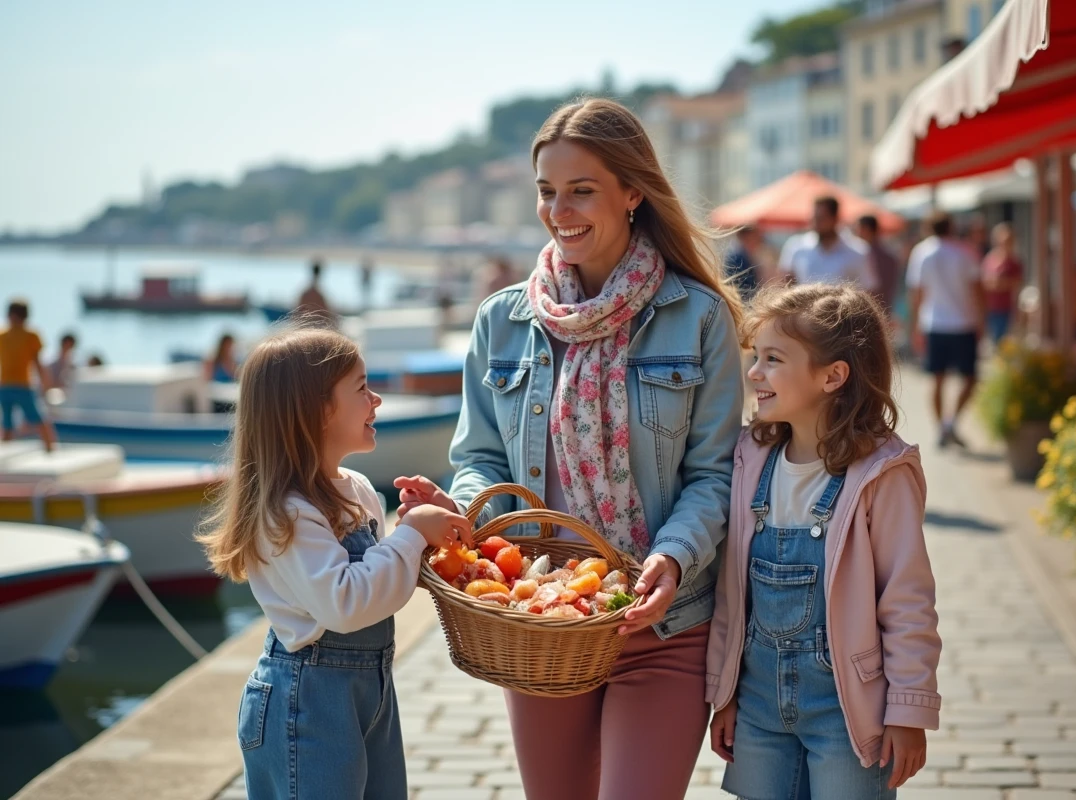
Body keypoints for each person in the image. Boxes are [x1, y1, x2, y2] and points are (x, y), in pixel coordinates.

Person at [394, 98, 745, 800]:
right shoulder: (502, 320)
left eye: (581, 189)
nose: (560, 210)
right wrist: (462, 514)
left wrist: (672, 559)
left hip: (662, 623)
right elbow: (481, 460)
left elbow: (715, 475)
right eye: (547, 192)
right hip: (542, 623)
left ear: (633, 192)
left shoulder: (698, 318)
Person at [197, 325, 471, 800]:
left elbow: (384, 581)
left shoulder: (358, 489)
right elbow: (345, 603)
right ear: (319, 411)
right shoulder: (287, 512)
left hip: (370, 690)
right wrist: (410, 534)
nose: (377, 399)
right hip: (307, 702)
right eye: (363, 388)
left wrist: (437, 525)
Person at [707, 283, 940, 799]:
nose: (754, 373)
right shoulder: (749, 459)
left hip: (848, 712)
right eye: (756, 357)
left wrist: (908, 709)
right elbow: (731, 592)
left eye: (773, 359)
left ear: (833, 376)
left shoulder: (882, 474)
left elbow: (907, 601)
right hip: (759, 707)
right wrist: (724, 695)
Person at [906, 212, 985, 449]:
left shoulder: (921, 252)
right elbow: (978, 290)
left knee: (937, 379)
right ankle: (949, 424)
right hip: (963, 322)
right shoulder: (965, 251)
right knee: (969, 379)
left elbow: (916, 294)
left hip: (935, 323)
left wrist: (915, 326)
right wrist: (982, 321)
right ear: (951, 226)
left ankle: (943, 426)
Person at [779, 197, 878, 293]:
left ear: (835, 219)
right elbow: (785, 283)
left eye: (821, 218)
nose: (815, 223)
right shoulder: (796, 246)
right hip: (802, 309)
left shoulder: (859, 251)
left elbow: (868, 289)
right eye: (814, 218)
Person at [0, 300, 56, 451]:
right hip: (5, 385)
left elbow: (37, 361)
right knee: (6, 423)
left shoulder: (31, 335)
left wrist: (45, 383)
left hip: (24, 384)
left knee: (37, 417)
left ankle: (51, 449)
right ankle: (5, 453)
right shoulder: (2, 335)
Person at [980, 222, 1024, 343]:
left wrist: (997, 284)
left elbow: (1016, 283)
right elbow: (982, 280)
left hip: (1005, 308)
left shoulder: (1014, 262)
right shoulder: (990, 258)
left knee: (1001, 340)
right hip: (988, 306)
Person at [854, 215, 900, 314]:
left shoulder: (870, 255)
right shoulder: (889, 257)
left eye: (858, 229)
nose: (856, 234)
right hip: (879, 311)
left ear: (866, 230)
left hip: (870, 311)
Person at [724, 226, 767, 303]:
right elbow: (740, 288)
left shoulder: (744, 255)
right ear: (747, 236)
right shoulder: (737, 258)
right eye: (755, 235)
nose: (759, 239)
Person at [297, 258, 334, 322]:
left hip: (306, 325)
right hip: (316, 325)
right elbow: (327, 314)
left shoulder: (306, 293)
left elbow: (297, 312)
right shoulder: (319, 295)